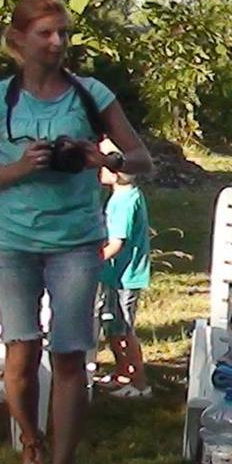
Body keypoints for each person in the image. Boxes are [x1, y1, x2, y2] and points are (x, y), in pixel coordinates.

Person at [0, 0, 151, 464]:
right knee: (21, 350)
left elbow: (142, 159)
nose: (57, 42)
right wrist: (20, 168)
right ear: (18, 41)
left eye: (63, 33)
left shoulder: (91, 95)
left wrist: (103, 159)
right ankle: (31, 440)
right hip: (13, 244)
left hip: (76, 243)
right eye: (45, 33)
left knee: (70, 355)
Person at [96, 143, 152, 398]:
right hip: (114, 275)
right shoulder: (127, 195)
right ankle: (122, 375)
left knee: (125, 331)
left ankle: (139, 384)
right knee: (113, 328)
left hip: (125, 277)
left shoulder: (124, 203)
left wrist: (91, 261)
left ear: (116, 172)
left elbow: (116, 244)